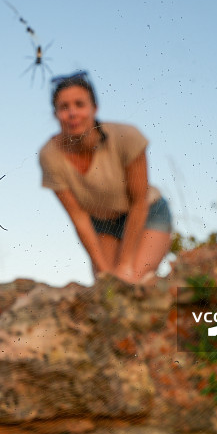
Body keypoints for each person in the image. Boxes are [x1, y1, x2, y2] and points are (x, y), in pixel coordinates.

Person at [39, 70, 172, 285]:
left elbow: (139, 202)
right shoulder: (49, 156)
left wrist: (125, 265)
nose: (72, 113)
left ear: (94, 108)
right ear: (55, 114)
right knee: (107, 286)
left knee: (132, 281)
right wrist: (105, 273)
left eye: (79, 105)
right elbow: (79, 218)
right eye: (64, 107)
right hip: (102, 224)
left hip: (147, 213)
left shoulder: (127, 137)